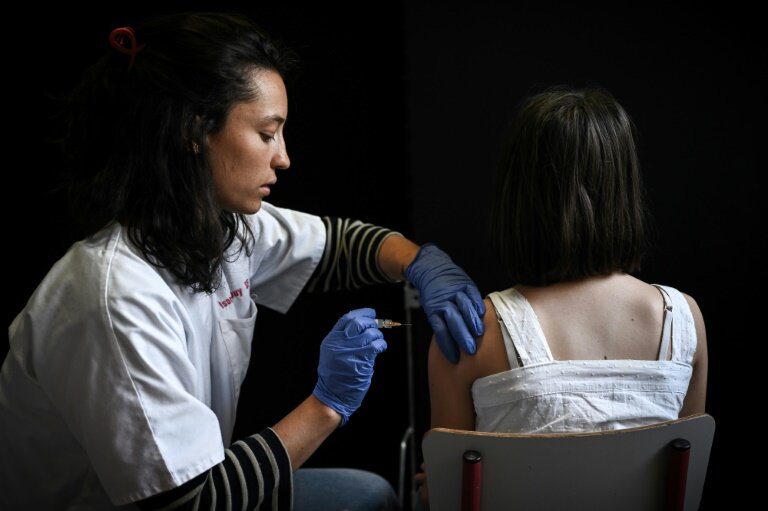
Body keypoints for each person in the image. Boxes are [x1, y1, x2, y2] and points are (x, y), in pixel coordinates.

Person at [0, 12, 486, 511]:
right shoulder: (115, 297)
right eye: (267, 133)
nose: (284, 158)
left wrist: (422, 263)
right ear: (194, 128)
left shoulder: (218, 227)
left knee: (370, 495)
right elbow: (193, 502)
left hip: (196, 489)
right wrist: (328, 405)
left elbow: (340, 246)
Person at [417, 86, 708, 508]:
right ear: (624, 188)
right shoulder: (684, 319)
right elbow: (685, 480)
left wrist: (429, 483)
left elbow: (443, 499)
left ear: (517, 195)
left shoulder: (472, 331)